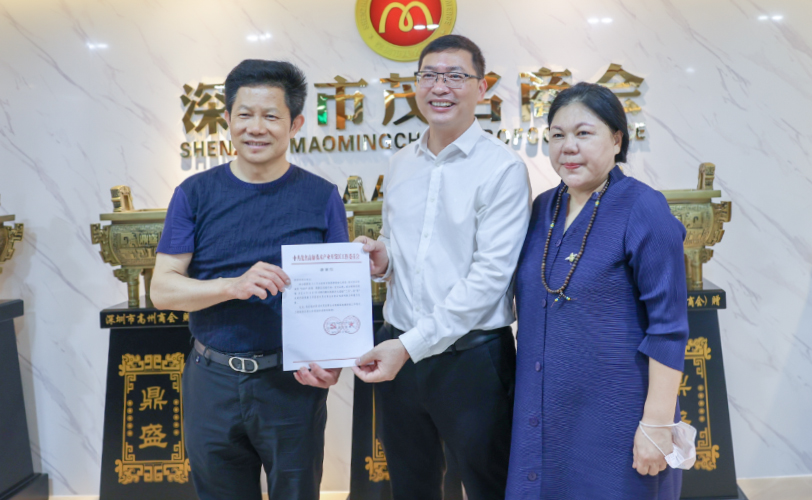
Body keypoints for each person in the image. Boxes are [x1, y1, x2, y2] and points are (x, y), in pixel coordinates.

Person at [151, 59, 348, 500]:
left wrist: (333, 359)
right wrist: (231, 286)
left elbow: (337, 292)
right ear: (227, 118)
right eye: (244, 114)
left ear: (295, 124)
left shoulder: (321, 196)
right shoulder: (194, 194)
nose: (256, 128)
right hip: (211, 379)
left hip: (291, 383)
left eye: (271, 116)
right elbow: (162, 289)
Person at [351, 34, 532, 500]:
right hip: (400, 353)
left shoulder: (503, 169)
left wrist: (409, 346)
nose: (440, 87)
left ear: (482, 88)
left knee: (489, 485)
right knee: (411, 486)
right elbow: (402, 243)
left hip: (471, 360)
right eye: (429, 75)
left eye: (455, 76)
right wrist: (383, 257)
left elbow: (489, 279)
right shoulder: (400, 162)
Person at [506, 82, 690, 499]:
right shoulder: (542, 208)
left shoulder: (643, 207)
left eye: (584, 133)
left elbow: (669, 328)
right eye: (557, 134)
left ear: (617, 139)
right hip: (543, 415)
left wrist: (657, 423)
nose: (568, 147)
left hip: (618, 418)